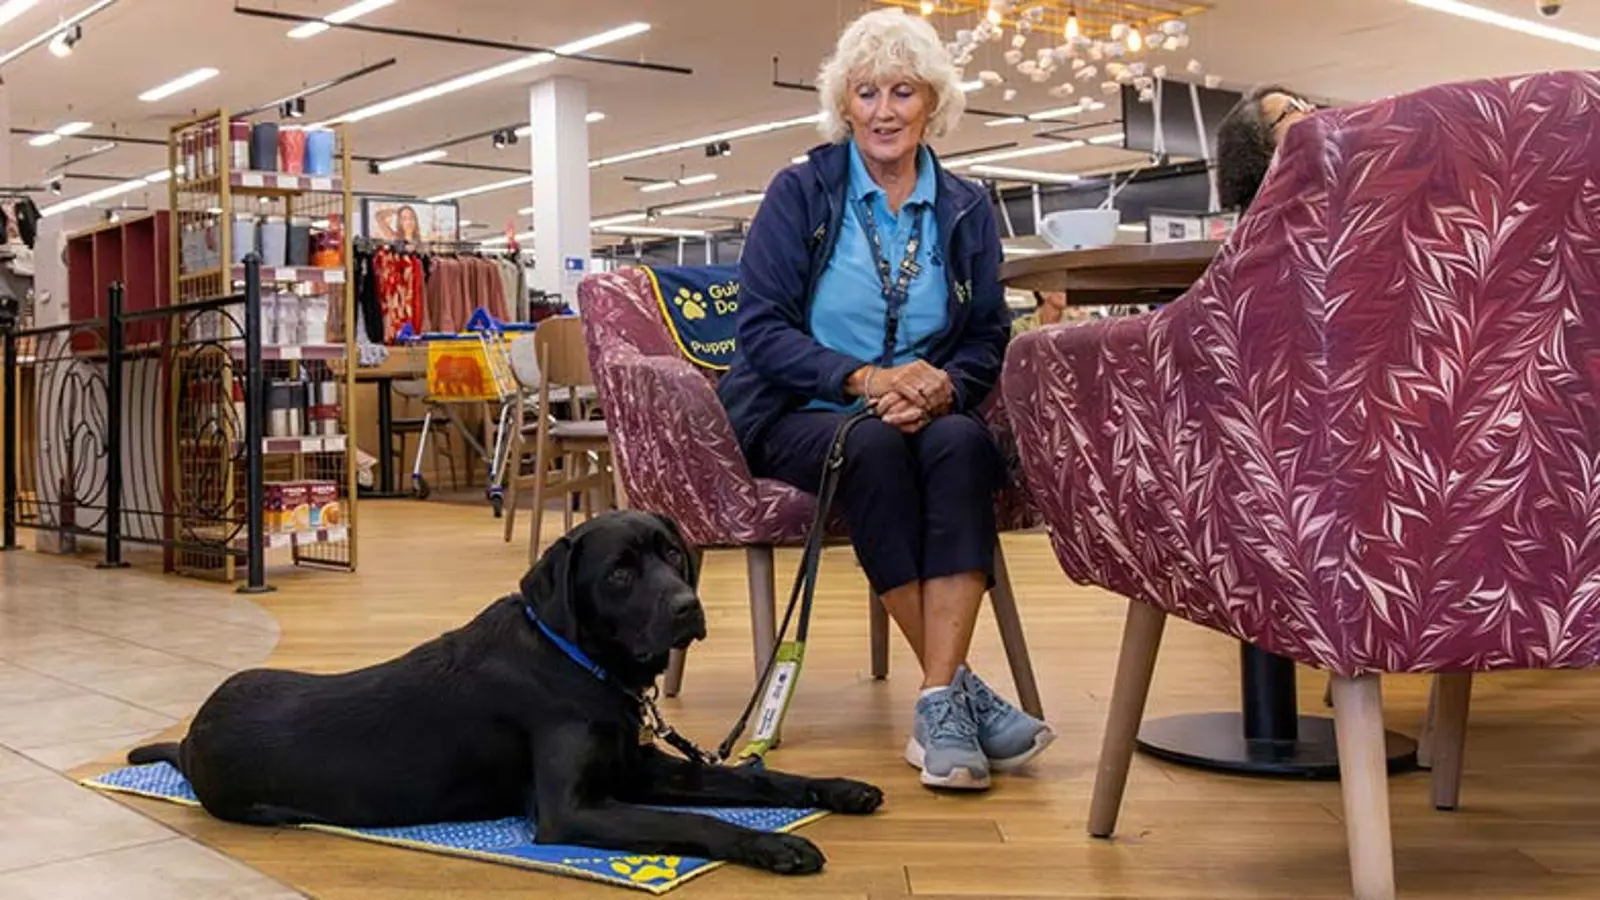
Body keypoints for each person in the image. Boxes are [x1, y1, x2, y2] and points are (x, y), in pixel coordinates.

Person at [715, 8, 1054, 791]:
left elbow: (985, 337)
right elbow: (760, 330)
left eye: (903, 91)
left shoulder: (966, 206)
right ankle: (957, 693)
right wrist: (864, 381)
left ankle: (936, 699)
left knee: (965, 444)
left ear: (932, 101)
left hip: (925, 413)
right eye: (866, 92)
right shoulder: (800, 192)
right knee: (866, 447)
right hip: (801, 412)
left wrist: (944, 387)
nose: (884, 111)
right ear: (845, 104)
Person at [1215, 85, 1317, 211]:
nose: (1311, 109)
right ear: (1264, 150)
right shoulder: (1268, 224)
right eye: (1292, 107)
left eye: (1303, 103)